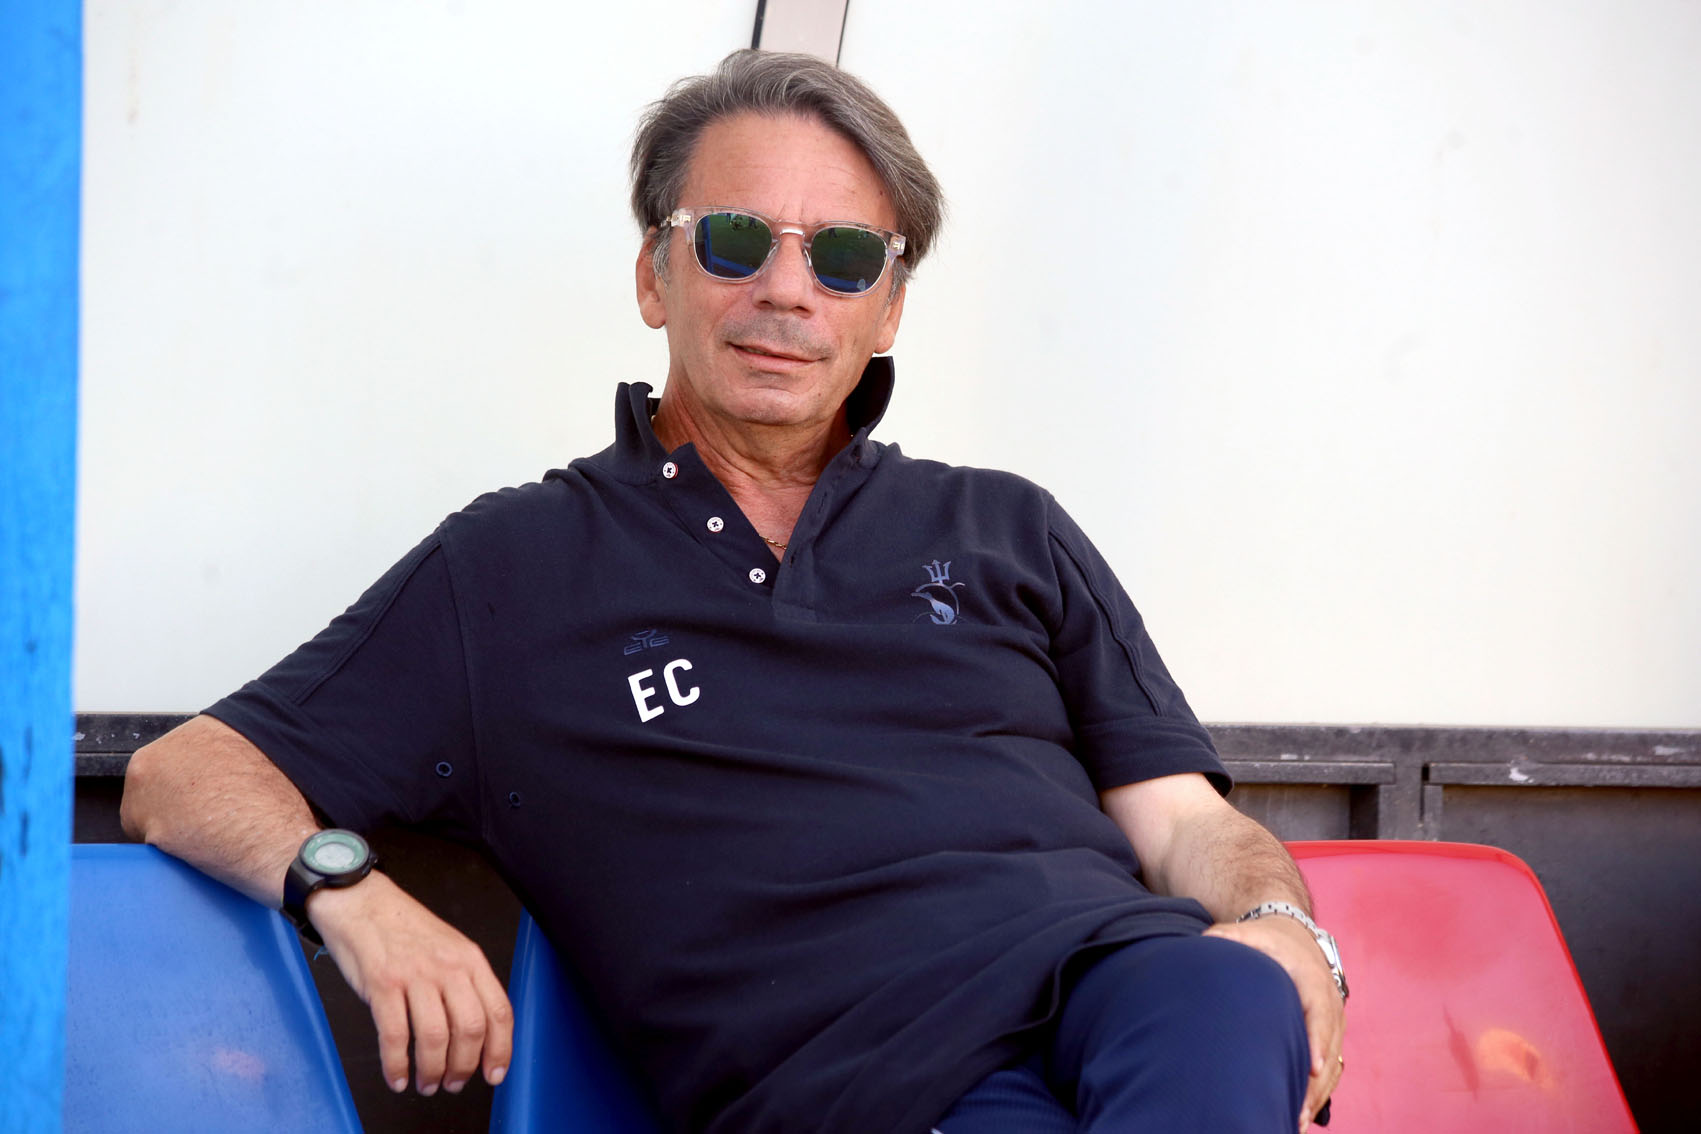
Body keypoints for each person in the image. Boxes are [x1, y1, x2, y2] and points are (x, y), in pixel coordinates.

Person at [122, 49, 1345, 1134]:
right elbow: (183, 774)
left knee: (1229, 987)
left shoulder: (1009, 526)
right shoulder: (512, 568)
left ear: (888, 308)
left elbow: (1188, 828)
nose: (788, 291)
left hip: (1129, 997)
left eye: (845, 257)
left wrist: (1283, 928)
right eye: (736, 241)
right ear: (655, 275)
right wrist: (349, 893)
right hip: (873, 1085)